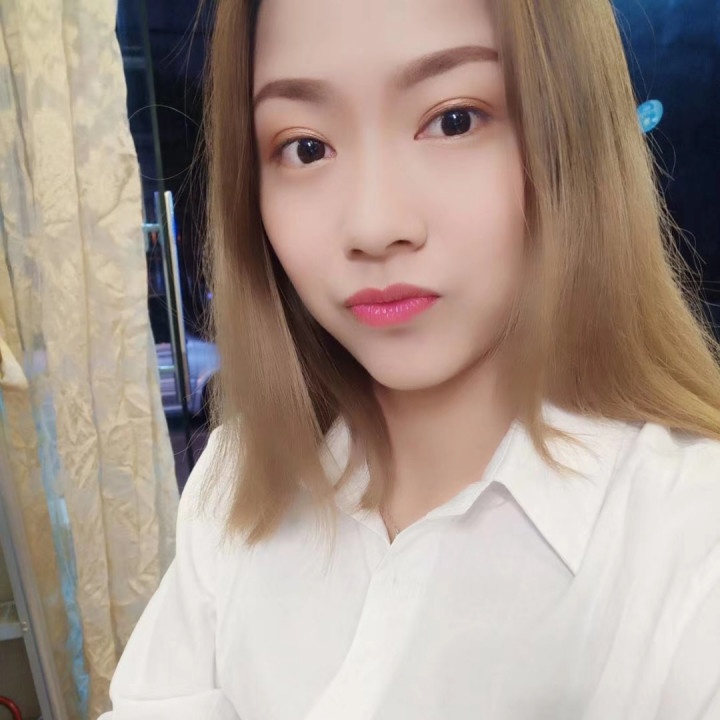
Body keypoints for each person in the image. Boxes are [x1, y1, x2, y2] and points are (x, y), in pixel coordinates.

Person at [99, 0, 720, 717]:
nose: (374, 226)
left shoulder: (691, 540)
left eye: (453, 120)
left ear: (571, 137)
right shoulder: (233, 481)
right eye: (306, 148)